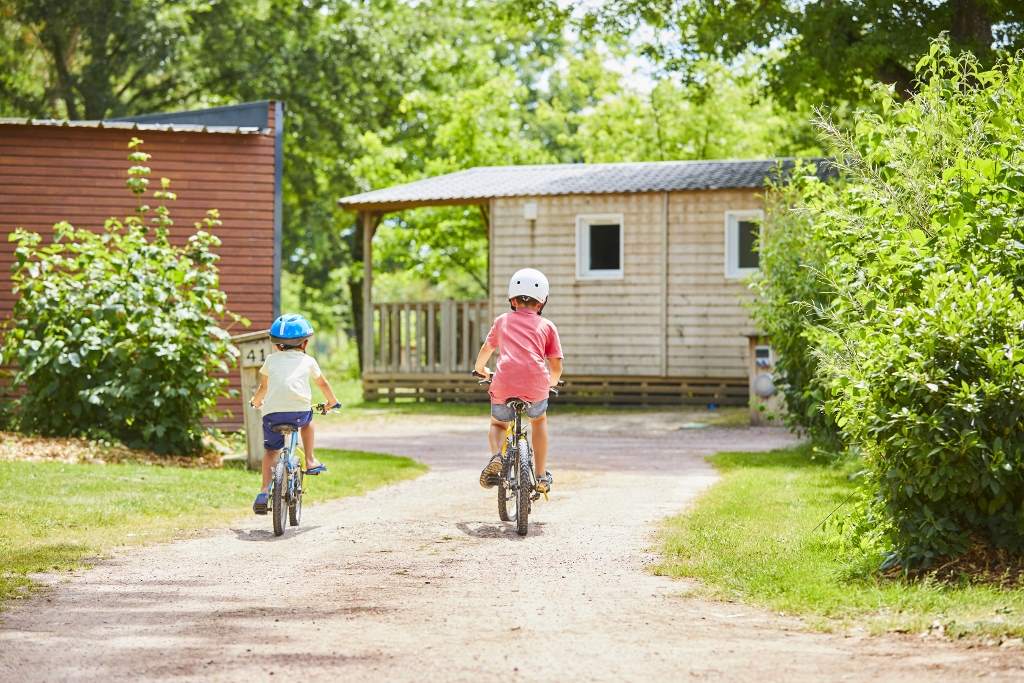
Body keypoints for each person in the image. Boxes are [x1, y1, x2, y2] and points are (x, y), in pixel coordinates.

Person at [474, 268, 563, 494]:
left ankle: (497, 456)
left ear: (512, 299)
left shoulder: (502, 321)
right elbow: (555, 365)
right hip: (536, 385)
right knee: (539, 421)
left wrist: (480, 369)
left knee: (497, 424)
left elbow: (487, 349)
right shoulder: (547, 326)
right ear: (542, 303)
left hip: (503, 382)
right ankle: (542, 476)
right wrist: (551, 383)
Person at [249, 313, 340, 515]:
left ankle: (264, 491)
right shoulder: (308, 361)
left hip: (272, 415)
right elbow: (323, 383)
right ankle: (309, 459)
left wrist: (255, 402)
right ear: (305, 343)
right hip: (299, 412)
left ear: (276, 344)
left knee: (271, 452)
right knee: (308, 421)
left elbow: (263, 388)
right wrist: (332, 402)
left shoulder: (271, 361)